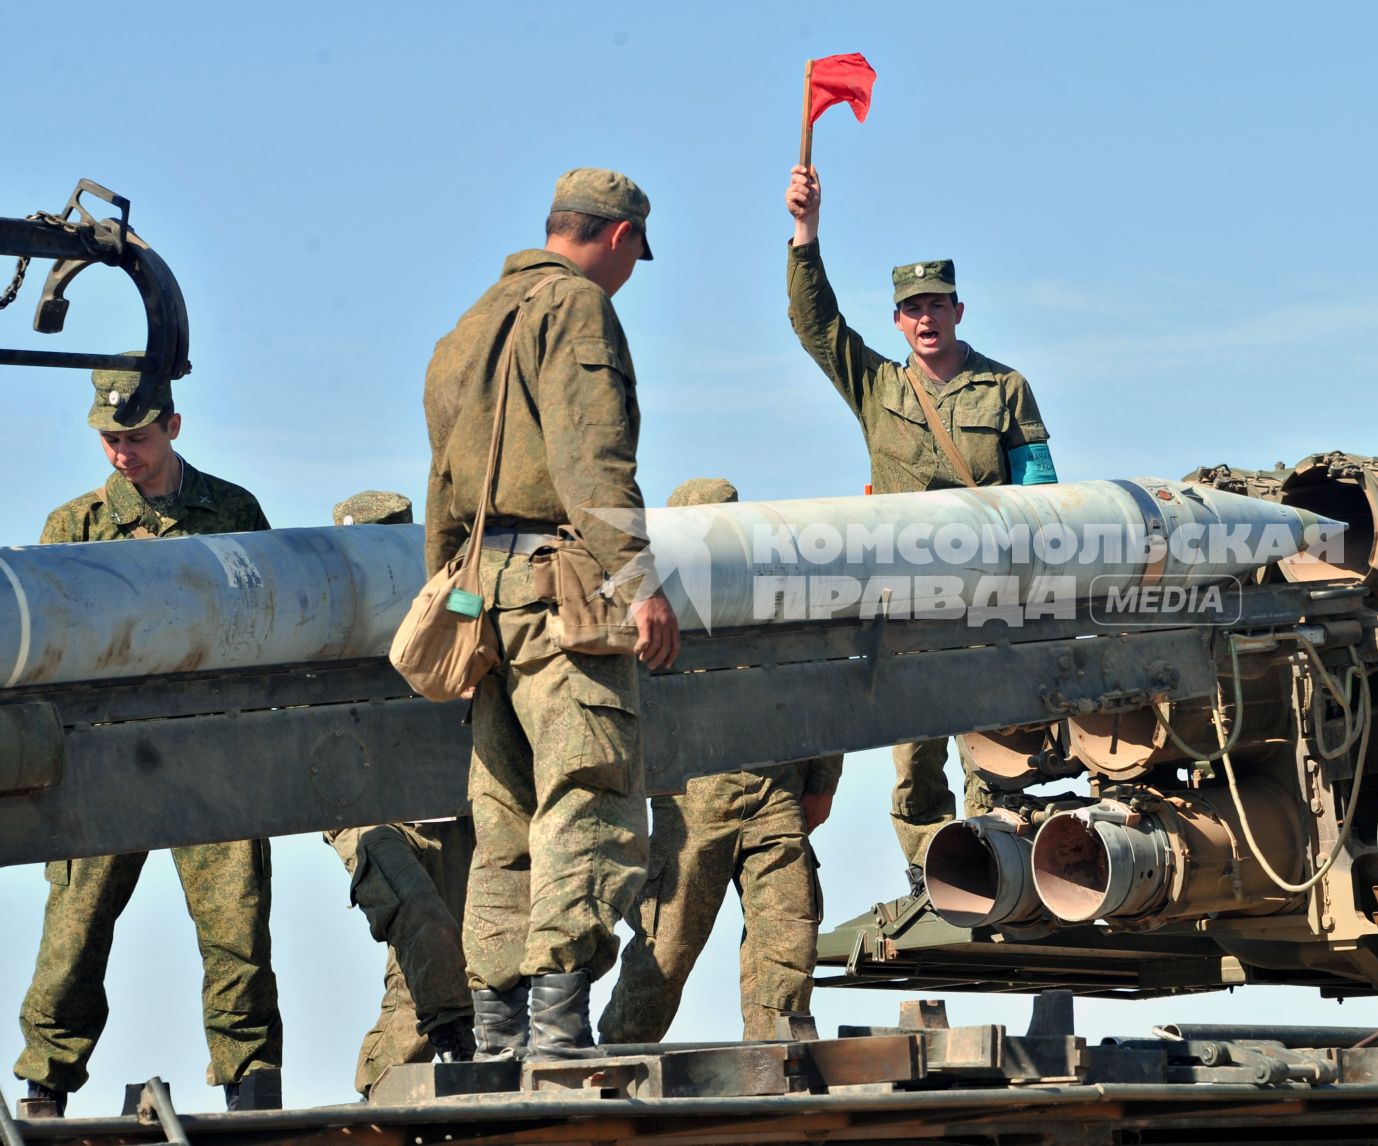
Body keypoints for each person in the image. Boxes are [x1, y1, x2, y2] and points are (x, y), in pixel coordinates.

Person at [421, 168, 681, 1059]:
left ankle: (497, 1032)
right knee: (588, 796)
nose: (632, 270)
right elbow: (592, 462)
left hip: (482, 597)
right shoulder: (575, 311)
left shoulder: (472, 324)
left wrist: (456, 609)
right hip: (560, 593)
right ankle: (559, 1031)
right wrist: (640, 583)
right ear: (616, 236)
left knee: (501, 818)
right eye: (634, 254)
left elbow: (441, 492)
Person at [13, 360, 282, 1115]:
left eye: (134, 436)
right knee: (74, 928)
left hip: (210, 752)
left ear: (172, 426)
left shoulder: (232, 510)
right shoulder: (76, 526)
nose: (121, 453)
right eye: (108, 440)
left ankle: (251, 1088)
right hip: (106, 756)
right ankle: (45, 1087)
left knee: (238, 931)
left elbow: (269, 625)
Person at [783, 164, 1056, 871]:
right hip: (906, 593)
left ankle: (1000, 855)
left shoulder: (1005, 389)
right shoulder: (877, 385)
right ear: (898, 320)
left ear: (959, 311)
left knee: (994, 732)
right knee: (916, 745)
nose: (926, 318)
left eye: (938, 304)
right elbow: (815, 325)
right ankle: (931, 866)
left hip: (988, 588)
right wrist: (805, 234)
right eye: (913, 308)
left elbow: (1039, 488)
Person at [598, 477, 843, 1044]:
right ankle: (608, 1069)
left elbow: (821, 689)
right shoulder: (650, 604)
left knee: (787, 947)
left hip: (775, 793)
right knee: (664, 953)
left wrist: (822, 779)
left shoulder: (777, 596)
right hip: (690, 805)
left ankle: (776, 1072)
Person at [325, 491, 476, 1094]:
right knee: (418, 915)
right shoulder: (324, 609)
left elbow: (479, 619)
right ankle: (459, 1046)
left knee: (434, 957)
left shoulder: (454, 592)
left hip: (450, 800)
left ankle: (381, 1087)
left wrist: (472, 644)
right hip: (368, 808)